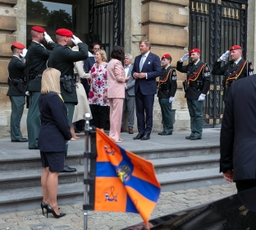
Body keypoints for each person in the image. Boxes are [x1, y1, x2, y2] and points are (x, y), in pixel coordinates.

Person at [48, 28, 88, 173]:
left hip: (59, 92)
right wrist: (81, 43)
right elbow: (84, 54)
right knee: (64, 129)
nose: (72, 40)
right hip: (66, 93)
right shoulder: (63, 51)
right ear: (65, 39)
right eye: (71, 38)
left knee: (60, 128)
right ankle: (61, 162)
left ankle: (57, 161)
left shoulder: (55, 50)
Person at [38, 68, 71, 219]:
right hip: (54, 137)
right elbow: (62, 121)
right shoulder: (54, 98)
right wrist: (68, 135)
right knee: (53, 172)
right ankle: (53, 205)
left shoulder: (43, 97)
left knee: (47, 169)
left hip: (45, 136)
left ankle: (46, 201)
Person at [220, 74, 256, 193]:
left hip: (246, 163)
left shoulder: (239, 86)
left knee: (248, 209)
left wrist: (226, 164)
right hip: (247, 164)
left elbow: (228, 128)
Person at [26, 25, 56, 149]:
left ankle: (35, 139)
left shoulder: (35, 47)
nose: (45, 37)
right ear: (38, 35)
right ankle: (34, 141)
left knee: (36, 112)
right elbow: (55, 53)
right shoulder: (36, 47)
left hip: (37, 82)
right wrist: (51, 41)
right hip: (38, 82)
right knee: (35, 113)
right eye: (44, 35)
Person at [176, 48, 210, 140]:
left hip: (198, 92)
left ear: (198, 55)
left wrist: (203, 93)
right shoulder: (190, 66)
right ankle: (193, 132)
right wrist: (181, 60)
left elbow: (207, 81)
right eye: (191, 55)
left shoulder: (203, 66)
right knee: (192, 114)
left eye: (193, 54)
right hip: (190, 92)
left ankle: (198, 133)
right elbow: (180, 68)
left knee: (197, 114)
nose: (191, 56)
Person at [132, 39, 162, 140]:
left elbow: (158, 72)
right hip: (138, 88)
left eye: (142, 46)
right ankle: (141, 131)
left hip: (148, 89)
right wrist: (134, 74)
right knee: (139, 112)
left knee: (148, 111)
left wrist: (145, 75)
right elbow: (133, 71)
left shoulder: (154, 58)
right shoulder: (137, 58)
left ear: (148, 47)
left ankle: (147, 132)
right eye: (140, 46)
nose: (140, 48)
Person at [7, 42, 28, 142]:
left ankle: (16, 135)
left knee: (16, 113)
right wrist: (27, 57)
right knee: (17, 114)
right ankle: (16, 136)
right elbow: (26, 67)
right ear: (18, 51)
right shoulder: (16, 61)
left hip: (16, 90)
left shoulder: (15, 61)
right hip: (17, 90)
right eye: (22, 50)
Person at [70, 46, 92, 140]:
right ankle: (71, 133)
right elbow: (82, 74)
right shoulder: (77, 59)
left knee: (72, 109)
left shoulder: (69, 57)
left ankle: (72, 132)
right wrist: (93, 74)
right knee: (75, 109)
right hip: (76, 85)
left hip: (71, 84)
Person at [107, 46, 127, 143]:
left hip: (111, 91)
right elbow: (119, 78)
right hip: (118, 92)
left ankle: (113, 135)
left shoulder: (110, 62)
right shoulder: (117, 63)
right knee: (117, 115)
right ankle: (115, 136)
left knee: (112, 114)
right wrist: (126, 79)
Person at [88, 49, 109, 131]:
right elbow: (90, 75)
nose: (95, 56)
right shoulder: (94, 65)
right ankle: (97, 128)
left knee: (102, 110)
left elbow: (108, 79)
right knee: (95, 110)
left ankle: (102, 128)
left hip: (102, 90)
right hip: (94, 91)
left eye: (97, 55)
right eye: (95, 54)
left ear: (102, 56)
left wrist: (107, 91)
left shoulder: (106, 66)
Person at [157, 54, 177, 135]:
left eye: (164, 60)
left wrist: (172, 95)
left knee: (167, 113)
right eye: (162, 60)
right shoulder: (163, 70)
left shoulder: (172, 71)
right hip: (161, 93)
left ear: (169, 61)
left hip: (167, 94)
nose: (162, 61)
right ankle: (165, 128)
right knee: (163, 112)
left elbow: (173, 84)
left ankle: (169, 129)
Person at [122, 53, 135, 134]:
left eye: (127, 58)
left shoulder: (134, 68)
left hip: (130, 92)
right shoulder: (121, 68)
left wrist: (127, 86)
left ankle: (130, 127)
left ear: (130, 60)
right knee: (121, 110)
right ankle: (120, 126)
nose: (125, 60)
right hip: (121, 92)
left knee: (130, 110)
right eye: (124, 58)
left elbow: (135, 80)